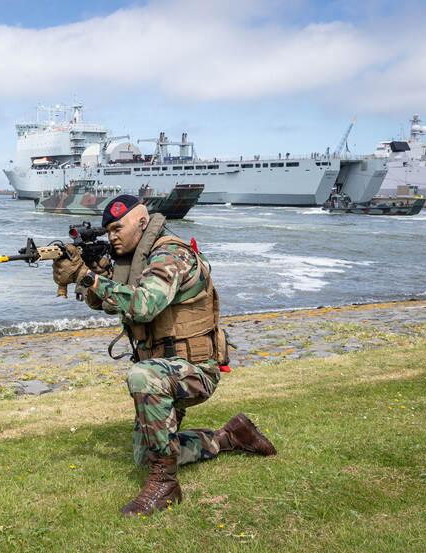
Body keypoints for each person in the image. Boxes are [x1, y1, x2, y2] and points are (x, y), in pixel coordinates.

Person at [52, 195, 276, 516]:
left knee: (141, 376)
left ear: (143, 223)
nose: (112, 236)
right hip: (168, 370)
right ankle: (231, 436)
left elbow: (143, 306)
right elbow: (107, 301)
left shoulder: (170, 254)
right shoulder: (135, 261)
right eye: (108, 231)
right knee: (145, 455)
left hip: (196, 370)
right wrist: (91, 274)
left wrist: (85, 277)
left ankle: (166, 484)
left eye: (118, 228)